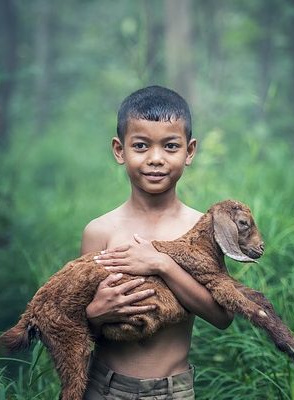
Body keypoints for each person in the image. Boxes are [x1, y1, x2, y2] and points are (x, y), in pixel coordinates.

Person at [80, 85, 233, 399]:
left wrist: (162, 264)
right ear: (119, 150)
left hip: (172, 390)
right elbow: (78, 328)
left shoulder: (202, 229)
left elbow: (222, 316)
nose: (155, 159)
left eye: (170, 146)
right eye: (140, 145)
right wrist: (96, 313)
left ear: (189, 151)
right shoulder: (100, 231)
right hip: (103, 387)